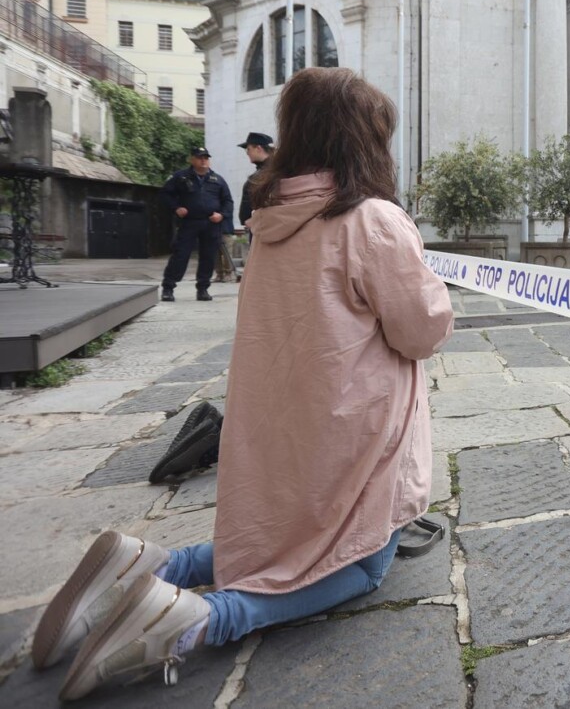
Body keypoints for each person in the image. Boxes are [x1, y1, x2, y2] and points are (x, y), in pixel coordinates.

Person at [35, 68, 456, 701]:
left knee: (292, 532)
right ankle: (205, 618)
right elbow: (421, 331)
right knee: (365, 557)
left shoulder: (273, 216)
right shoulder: (372, 219)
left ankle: (149, 565)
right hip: (357, 420)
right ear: (367, 141)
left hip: (284, 406)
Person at [159, 147, 234, 302]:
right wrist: (176, 208)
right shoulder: (180, 177)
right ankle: (168, 288)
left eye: (206, 157)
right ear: (192, 159)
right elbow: (165, 195)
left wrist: (222, 215)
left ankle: (203, 289)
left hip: (210, 223)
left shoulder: (217, 180)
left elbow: (227, 201)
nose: (203, 160)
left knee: (208, 257)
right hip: (189, 222)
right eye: (200, 157)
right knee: (180, 255)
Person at [237, 132, 275, 238]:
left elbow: (246, 214)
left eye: (248, 149)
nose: (247, 153)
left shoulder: (258, 178)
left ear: (258, 148)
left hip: (262, 230)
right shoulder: (283, 170)